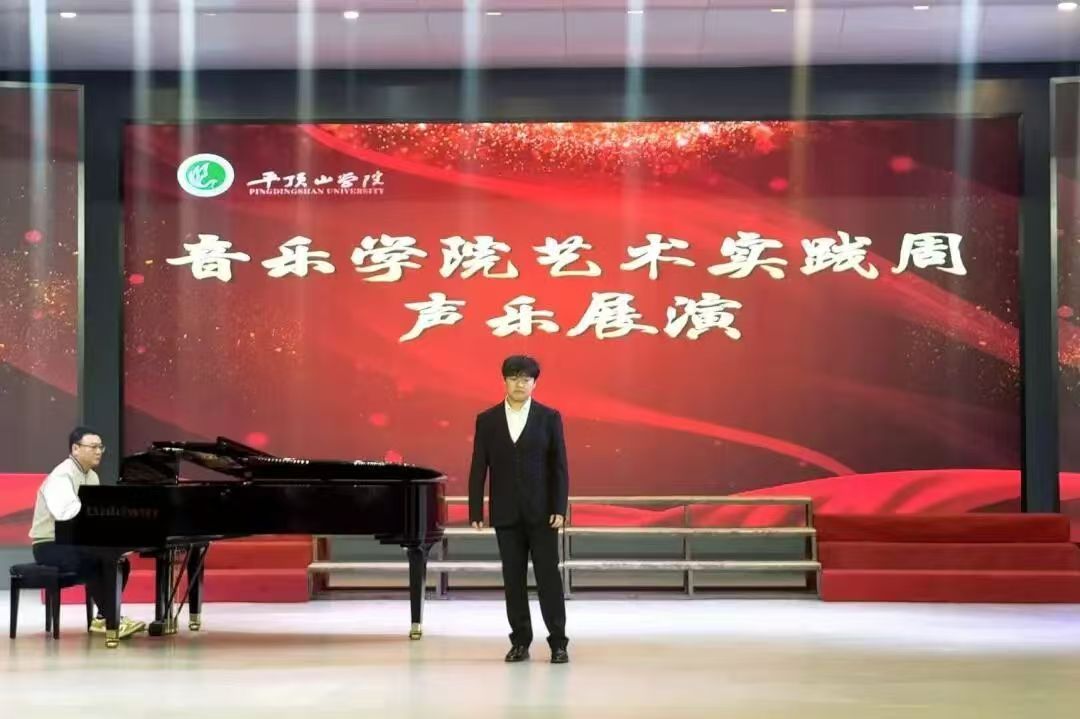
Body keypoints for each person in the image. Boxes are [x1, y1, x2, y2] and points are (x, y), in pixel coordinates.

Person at [469, 355, 569, 664]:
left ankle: (558, 642)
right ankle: (520, 641)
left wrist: (559, 507)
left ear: (534, 383)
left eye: (526, 379)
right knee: (513, 580)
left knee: (548, 579)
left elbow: (559, 467)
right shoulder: (487, 420)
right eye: (514, 378)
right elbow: (478, 466)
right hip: (506, 513)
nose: (519, 384)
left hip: (543, 514)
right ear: (504, 381)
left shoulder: (549, 417)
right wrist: (476, 510)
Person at [29, 426, 145, 639]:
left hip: (75, 542)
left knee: (120, 561)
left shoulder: (91, 476)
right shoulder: (61, 475)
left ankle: (103, 617)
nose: (99, 451)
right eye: (93, 447)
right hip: (50, 545)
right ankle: (112, 619)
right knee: (97, 559)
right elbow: (66, 514)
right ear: (75, 448)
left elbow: (93, 518)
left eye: (101, 447)